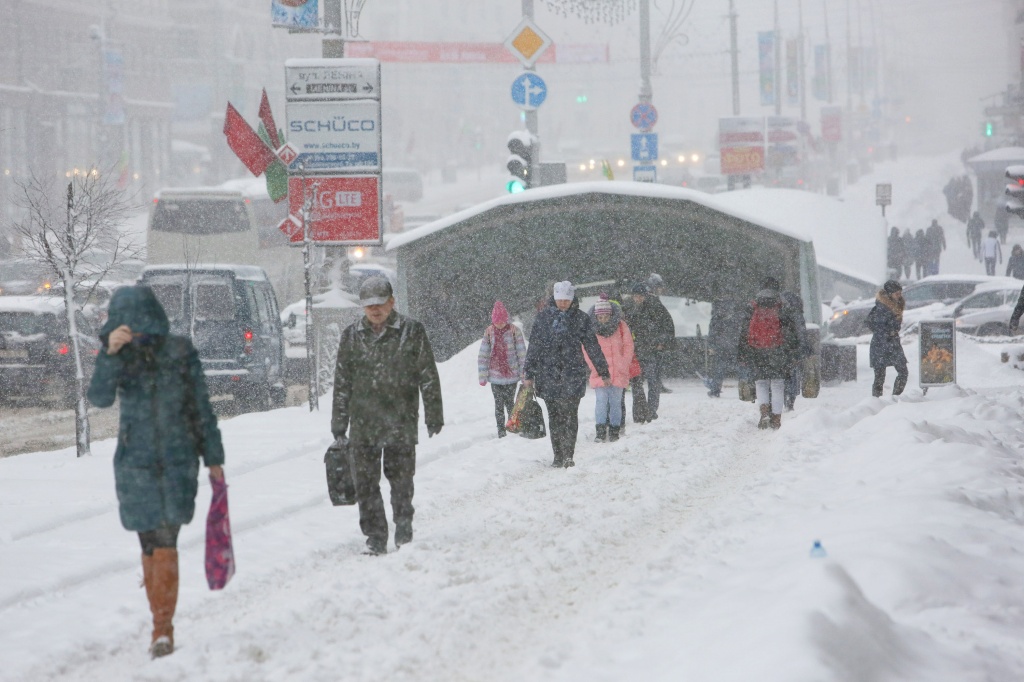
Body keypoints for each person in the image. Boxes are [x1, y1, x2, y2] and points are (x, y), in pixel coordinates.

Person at [87, 286, 225, 659]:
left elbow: (201, 407)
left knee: (165, 542)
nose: (138, 334)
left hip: (178, 461)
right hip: (135, 465)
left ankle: (162, 628)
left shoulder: (179, 351)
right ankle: (159, 620)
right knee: (149, 544)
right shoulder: (119, 356)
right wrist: (110, 353)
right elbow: (98, 397)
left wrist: (213, 456)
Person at [331, 276, 443, 555]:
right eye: (369, 305)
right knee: (366, 484)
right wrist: (338, 423)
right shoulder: (351, 335)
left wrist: (433, 414)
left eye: (380, 303)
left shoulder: (412, 331)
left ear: (392, 302)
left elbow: (427, 374)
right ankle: (375, 537)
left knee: (401, 481)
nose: (375, 309)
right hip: (363, 423)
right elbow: (342, 381)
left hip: (400, 420)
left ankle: (403, 527)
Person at [524, 280, 610, 468]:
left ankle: (569, 454)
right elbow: (535, 347)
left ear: (572, 299)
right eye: (560, 299)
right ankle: (558, 455)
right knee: (554, 416)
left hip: (573, 373)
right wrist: (528, 373)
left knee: (570, 414)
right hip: (548, 374)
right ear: (554, 298)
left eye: (566, 300)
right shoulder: (543, 318)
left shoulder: (580, 318)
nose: (563, 303)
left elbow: (592, 346)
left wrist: (603, 370)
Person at [737, 278, 801, 430]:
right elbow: (791, 331)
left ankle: (764, 413)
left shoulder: (752, 305)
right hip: (778, 349)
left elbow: (744, 331)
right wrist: (793, 350)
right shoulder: (783, 305)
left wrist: (742, 352)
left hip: (756, 349)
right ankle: (776, 419)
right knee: (778, 384)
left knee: (761, 382)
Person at [584, 294, 634, 442]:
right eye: (600, 317)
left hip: (618, 371)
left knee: (615, 403)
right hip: (599, 372)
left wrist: (623, 365)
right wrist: (595, 368)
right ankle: (600, 430)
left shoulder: (621, 326)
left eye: (606, 316)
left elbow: (628, 346)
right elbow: (587, 349)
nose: (603, 320)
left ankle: (614, 430)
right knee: (601, 401)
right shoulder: (590, 329)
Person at [478, 301, 527, 438]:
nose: (500, 324)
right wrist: (482, 375)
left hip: (511, 376)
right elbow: (483, 354)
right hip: (495, 377)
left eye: (502, 321)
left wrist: (524, 374)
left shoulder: (514, 331)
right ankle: (501, 430)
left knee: (511, 403)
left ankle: (512, 426)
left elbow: (522, 353)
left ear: (507, 319)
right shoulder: (489, 332)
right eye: (497, 321)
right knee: (498, 405)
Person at [627, 281, 674, 421]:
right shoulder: (630, 308)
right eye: (636, 296)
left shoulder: (655, 307)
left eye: (640, 296)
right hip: (638, 351)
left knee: (653, 382)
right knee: (637, 383)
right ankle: (640, 413)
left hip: (652, 350)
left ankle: (651, 411)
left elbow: (667, 326)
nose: (638, 299)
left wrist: (661, 343)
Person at [867, 280, 908, 397]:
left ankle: (894, 398)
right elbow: (876, 327)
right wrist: (888, 334)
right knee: (880, 376)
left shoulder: (896, 306)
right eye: (896, 293)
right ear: (889, 294)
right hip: (881, 345)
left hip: (892, 343)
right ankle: (876, 401)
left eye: (900, 292)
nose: (899, 295)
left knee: (903, 372)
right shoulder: (881, 308)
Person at [704, 298, 745, 398]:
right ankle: (745, 391)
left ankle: (715, 390)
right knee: (741, 368)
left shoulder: (717, 316)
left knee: (719, 369)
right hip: (735, 345)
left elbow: (712, 333)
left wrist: (712, 346)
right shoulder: (737, 315)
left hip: (721, 346)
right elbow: (740, 330)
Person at [781, 290, 812, 412]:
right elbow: (801, 333)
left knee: (782, 375)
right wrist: (806, 348)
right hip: (794, 348)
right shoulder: (797, 313)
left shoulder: (779, 312)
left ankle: (783, 398)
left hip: (781, 348)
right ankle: (790, 400)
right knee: (793, 374)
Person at [646, 273, 673, 394]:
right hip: (653, 339)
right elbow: (657, 322)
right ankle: (656, 384)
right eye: (660, 286)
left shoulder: (652, 300)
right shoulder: (652, 301)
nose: (662, 289)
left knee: (656, 363)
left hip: (653, 338)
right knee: (655, 364)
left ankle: (657, 383)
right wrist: (660, 339)